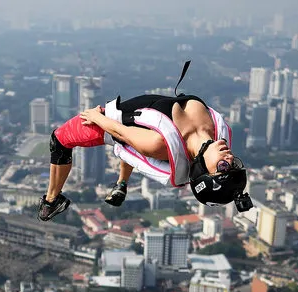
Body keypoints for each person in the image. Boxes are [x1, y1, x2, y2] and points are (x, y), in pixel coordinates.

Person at [38, 61, 253, 222]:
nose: (230, 157)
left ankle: (51, 201)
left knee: (58, 141)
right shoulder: (218, 131)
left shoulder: (159, 143)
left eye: (224, 166)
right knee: (134, 140)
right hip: (139, 123)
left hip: (111, 122)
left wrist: (97, 118)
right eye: (234, 163)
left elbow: (121, 133)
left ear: (203, 171)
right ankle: (121, 184)